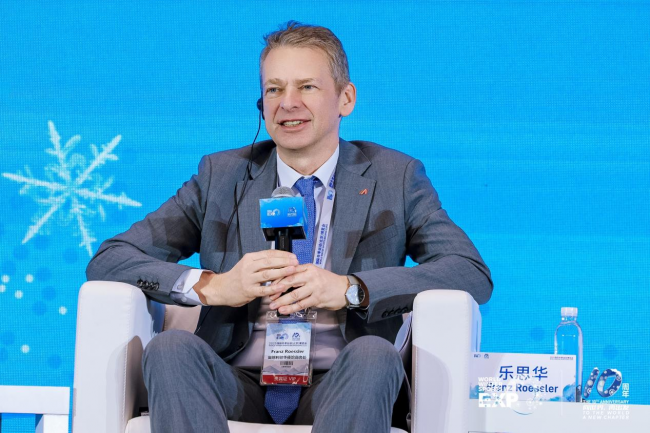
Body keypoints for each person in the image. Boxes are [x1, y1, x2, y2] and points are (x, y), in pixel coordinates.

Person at [86, 21, 492, 433]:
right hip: (235, 381)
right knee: (170, 348)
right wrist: (214, 287)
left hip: (346, 381)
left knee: (373, 353)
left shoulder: (395, 177)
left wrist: (350, 289)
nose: (288, 103)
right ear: (261, 105)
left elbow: (469, 272)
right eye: (274, 89)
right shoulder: (221, 176)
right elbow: (111, 259)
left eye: (307, 87)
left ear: (346, 99)